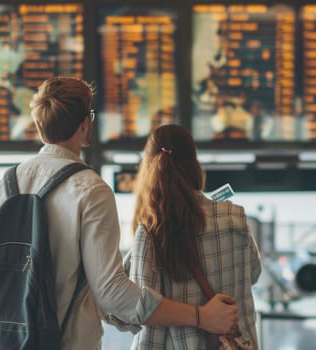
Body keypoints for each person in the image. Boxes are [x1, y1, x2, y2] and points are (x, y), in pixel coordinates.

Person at [0, 77, 238, 349]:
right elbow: (111, 293)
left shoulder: (8, 184)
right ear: (84, 125)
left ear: (39, 124)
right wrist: (200, 316)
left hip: (2, 339)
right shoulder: (90, 189)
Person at [111, 124, 262, 349]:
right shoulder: (234, 217)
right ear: (194, 165)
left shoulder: (152, 232)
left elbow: (138, 309)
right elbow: (254, 273)